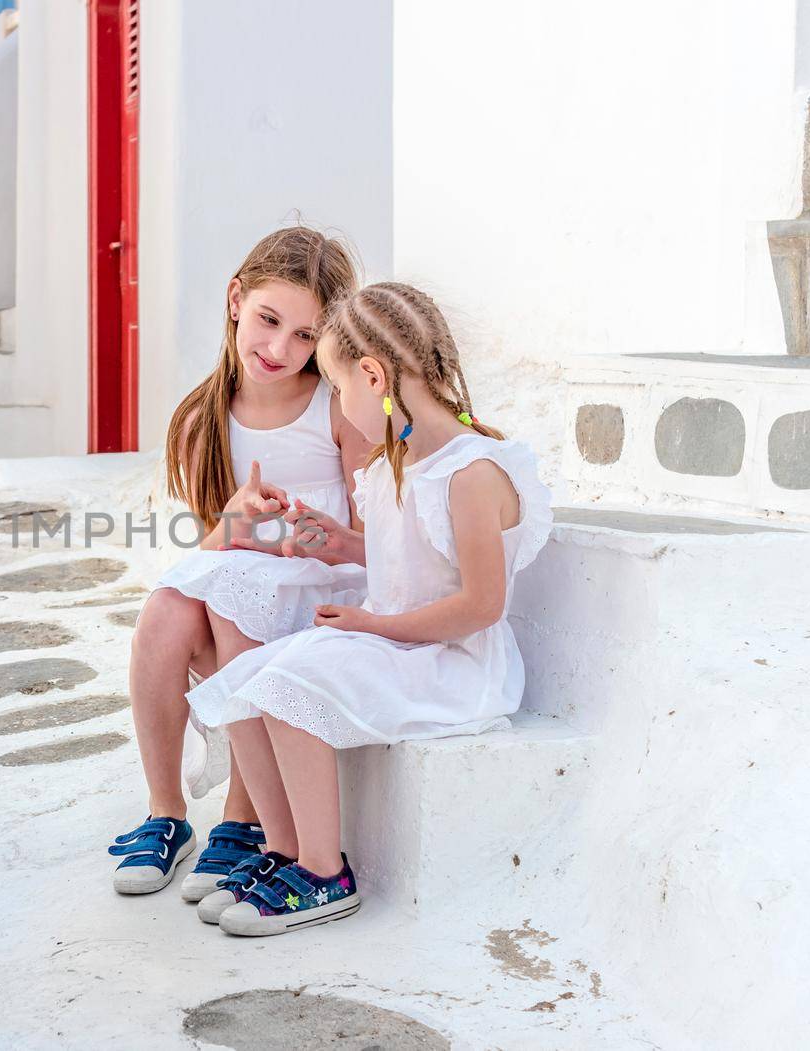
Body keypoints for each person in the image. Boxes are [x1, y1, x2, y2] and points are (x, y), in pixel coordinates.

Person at [187, 282, 553, 936]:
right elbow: (404, 564)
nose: (340, 408)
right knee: (245, 678)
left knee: (287, 683)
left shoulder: (470, 473)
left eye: (338, 388)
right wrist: (341, 546)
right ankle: (285, 850)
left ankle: (326, 873)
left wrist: (371, 624)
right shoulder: (395, 465)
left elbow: (479, 604)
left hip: (454, 666)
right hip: (399, 645)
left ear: (374, 375)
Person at [108, 226, 365, 898]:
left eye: (306, 336)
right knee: (169, 608)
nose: (280, 349)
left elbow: (375, 544)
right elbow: (211, 553)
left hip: (326, 586)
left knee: (237, 598)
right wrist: (235, 526)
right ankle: (167, 812)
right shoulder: (204, 420)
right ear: (235, 300)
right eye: (269, 320)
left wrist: (316, 536)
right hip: (246, 583)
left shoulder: (336, 410)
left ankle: (244, 818)